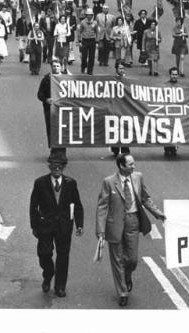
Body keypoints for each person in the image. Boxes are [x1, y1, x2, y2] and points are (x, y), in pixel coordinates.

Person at [95, 153, 166, 307]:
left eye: (134, 163)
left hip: (133, 221)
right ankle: (122, 292)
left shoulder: (138, 177)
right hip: (115, 225)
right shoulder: (109, 182)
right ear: (121, 166)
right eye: (131, 164)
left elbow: (145, 198)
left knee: (132, 259)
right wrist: (100, 230)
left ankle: (127, 275)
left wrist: (158, 213)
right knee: (117, 259)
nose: (134, 166)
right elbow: (102, 206)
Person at [29, 156, 84, 298]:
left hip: (64, 227)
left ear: (64, 167)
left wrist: (79, 224)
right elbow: (33, 206)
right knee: (44, 254)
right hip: (45, 226)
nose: (57, 169)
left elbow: (77, 205)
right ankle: (48, 275)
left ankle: (60, 286)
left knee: (63, 257)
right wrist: (34, 226)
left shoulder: (70, 183)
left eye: (60, 166)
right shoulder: (40, 183)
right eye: (54, 166)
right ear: (49, 167)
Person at [37, 58, 67, 162]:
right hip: (51, 110)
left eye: (58, 66)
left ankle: (62, 153)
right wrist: (46, 99)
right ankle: (54, 153)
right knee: (52, 131)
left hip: (64, 110)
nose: (56, 68)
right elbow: (39, 94)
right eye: (54, 66)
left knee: (63, 131)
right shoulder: (46, 79)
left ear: (61, 67)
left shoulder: (67, 79)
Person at [110, 62, 131, 158]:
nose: (122, 70)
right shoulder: (112, 80)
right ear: (116, 69)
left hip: (125, 108)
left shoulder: (128, 80)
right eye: (120, 68)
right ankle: (115, 149)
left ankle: (125, 149)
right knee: (115, 129)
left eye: (123, 68)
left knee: (125, 129)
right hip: (115, 107)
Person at [163, 67, 180, 157]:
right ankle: (167, 148)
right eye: (173, 74)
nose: (174, 76)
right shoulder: (165, 85)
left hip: (177, 112)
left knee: (176, 131)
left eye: (176, 74)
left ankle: (174, 148)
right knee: (167, 131)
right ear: (170, 75)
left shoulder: (182, 86)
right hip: (168, 112)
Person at [77, 8, 98, 75]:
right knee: (84, 56)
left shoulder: (95, 23)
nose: (89, 16)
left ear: (92, 15)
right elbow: (79, 32)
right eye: (88, 15)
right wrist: (79, 41)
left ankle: (90, 70)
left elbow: (97, 32)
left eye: (90, 15)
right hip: (85, 41)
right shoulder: (83, 22)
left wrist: (97, 41)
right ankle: (83, 67)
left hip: (92, 40)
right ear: (86, 15)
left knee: (92, 57)